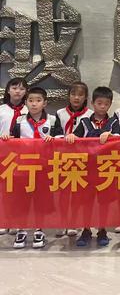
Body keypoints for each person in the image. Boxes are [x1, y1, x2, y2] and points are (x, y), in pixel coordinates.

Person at [72, 86, 120, 247]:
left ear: (110, 105)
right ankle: (86, 230)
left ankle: (102, 230)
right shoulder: (84, 122)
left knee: (103, 203)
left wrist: (111, 136)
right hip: (86, 170)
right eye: (99, 103)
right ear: (92, 103)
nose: (102, 107)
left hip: (106, 170)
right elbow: (75, 137)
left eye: (106, 104)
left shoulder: (113, 122)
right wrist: (72, 136)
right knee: (86, 202)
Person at [9, 87, 56, 249]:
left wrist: (54, 139)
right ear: (25, 103)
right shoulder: (19, 121)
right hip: (23, 168)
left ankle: (39, 230)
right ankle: (21, 230)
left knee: (40, 200)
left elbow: (61, 139)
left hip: (44, 168)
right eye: (30, 100)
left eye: (38, 100)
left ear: (45, 103)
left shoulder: (53, 120)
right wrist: (7, 138)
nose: (34, 104)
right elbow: (12, 140)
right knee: (22, 200)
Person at [52, 81, 92, 237]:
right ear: (68, 96)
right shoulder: (60, 113)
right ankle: (62, 222)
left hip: (82, 159)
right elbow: (56, 132)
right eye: (73, 94)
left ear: (86, 97)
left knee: (77, 193)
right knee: (63, 192)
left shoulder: (90, 115)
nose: (76, 98)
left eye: (80, 95)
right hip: (62, 157)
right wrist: (65, 138)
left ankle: (74, 222)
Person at [0, 77, 28, 236]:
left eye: (22, 88)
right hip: (4, 154)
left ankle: (19, 222)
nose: (18, 91)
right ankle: (4, 221)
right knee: (4, 189)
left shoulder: (29, 110)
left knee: (20, 190)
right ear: (8, 90)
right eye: (15, 87)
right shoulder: (1, 109)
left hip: (23, 156)